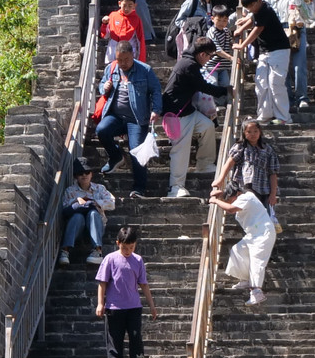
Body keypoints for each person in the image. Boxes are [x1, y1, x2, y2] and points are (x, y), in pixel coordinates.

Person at [161, 37, 229, 198]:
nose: (209, 60)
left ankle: (204, 163)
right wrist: (225, 90)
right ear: (203, 54)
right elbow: (203, 86)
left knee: (207, 126)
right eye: (210, 56)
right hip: (177, 115)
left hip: (188, 112)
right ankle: (175, 187)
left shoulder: (188, 62)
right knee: (180, 150)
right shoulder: (189, 65)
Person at [96, 43, 163, 197]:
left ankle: (139, 188)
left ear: (133, 55)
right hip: (116, 116)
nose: (123, 63)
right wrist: (104, 87)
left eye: (126, 59)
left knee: (136, 151)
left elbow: (156, 91)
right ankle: (116, 156)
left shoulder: (145, 70)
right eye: (120, 60)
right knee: (101, 130)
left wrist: (156, 110)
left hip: (137, 119)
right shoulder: (111, 69)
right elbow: (101, 85)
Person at [96, 227, 158, 358]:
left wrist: (151, 306)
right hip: (114, 308)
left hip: (133, 308)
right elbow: (102, 283)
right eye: (124, 247)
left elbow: (144, 284)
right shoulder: (110, 259)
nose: (128, 251)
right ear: (118, 243)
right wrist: (100, 303)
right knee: (115, 341)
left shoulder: (138, 260)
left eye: (131, 247)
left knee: (136, 340)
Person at [235, 0, 292, 125]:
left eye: (251, 6)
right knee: (261, 84)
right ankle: (264, 115)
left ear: (258, 1)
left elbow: (257, 29)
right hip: (265, 52)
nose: (249, 9)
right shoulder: (257, 11)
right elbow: (253, 20)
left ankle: (284, 117)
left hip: (279, 50)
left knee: (275, 84)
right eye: (247, 7)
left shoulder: (265, 10)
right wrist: (240, 29)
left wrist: (242, 45)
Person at [211, 188, 277, 305]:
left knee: (257, 260)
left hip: (263, 232)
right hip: (253, 234)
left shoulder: (246, 197)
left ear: (236, 194)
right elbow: (229, 204)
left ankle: (256, 292)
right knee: (237, 250)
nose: (229, 202)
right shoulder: (240, 199)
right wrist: (218, 196)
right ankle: (246, 279)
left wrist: (215, 201)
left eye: (230, 199)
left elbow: (230, 209)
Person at [214, 120, 280, 226]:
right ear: (244, 133)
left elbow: (273, 173)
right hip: (245, 185)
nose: (253, 134)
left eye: (255, 131)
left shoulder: (268, 150)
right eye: (249, 131)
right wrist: (220, 179)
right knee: (249, 214)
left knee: (264, 216)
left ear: (260, 132)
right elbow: (229, 164)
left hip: (264, 188)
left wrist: (273, 194)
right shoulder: (240, 147)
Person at [62, 164, 117, 264]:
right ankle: (65, 250)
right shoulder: (70, 191)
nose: (84, 175)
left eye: (87, 172)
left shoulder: (100, 188)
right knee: (77, 216)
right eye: (80, 173)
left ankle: (97, 250)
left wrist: (96, 203)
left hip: (96, 226)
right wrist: (76, 204)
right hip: (77, 228)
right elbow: (64, 209)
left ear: (91, 174)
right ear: (76, 176)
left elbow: (112, 203)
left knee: (93, 213)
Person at [101, 0, 147, 64]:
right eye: (124, 5)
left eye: (130, 6)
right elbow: (105, 36)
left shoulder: (137, 19)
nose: (126, 9)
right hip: (113, 55)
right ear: (119, 3)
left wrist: (141, 61)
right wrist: (104, 24)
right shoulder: (113, 15)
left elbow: (140, 40)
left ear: (135, 6)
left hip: (129, 57)